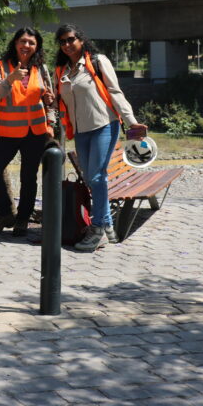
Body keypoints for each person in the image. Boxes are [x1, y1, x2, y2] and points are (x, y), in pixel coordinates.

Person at [54, 24, 147, 252]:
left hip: (104, 125)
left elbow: (115, 92)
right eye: (62, 41)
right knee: (91, 178)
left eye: (71, 39)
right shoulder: (62, 70)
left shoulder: (97, 61)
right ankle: (107, 225)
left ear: (81, 39)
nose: (67, 44)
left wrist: (132, 121)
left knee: (96, 176)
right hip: (80, 131)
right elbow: (61, 101)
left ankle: (97, 230)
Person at [0, 28, 57, 237]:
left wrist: (51, 123)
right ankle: (5, 213)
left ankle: (23, 218)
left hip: (36, 131)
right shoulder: (2, 66)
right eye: (23, 41)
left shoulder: (41, 68)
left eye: (31, 43)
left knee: (28, 177)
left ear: (37, 46)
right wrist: (11, 78)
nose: (26, 46)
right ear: (15, 43)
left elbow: (50, 99)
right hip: (8, 131)